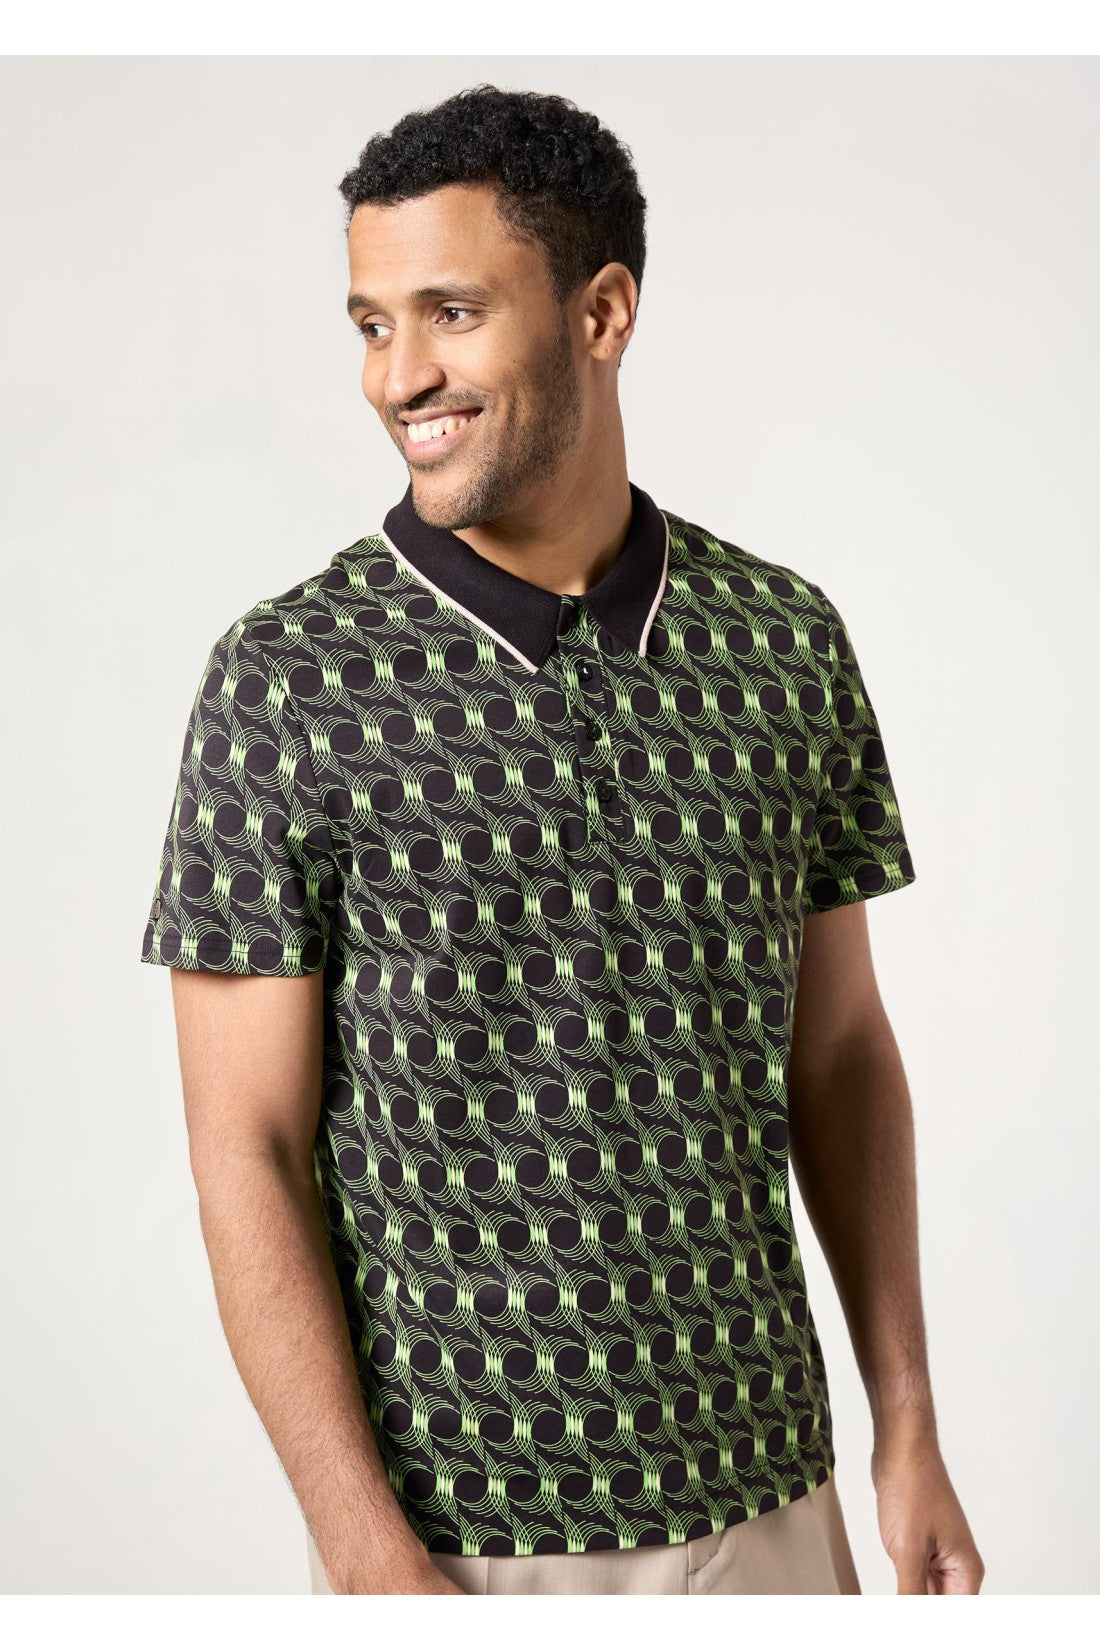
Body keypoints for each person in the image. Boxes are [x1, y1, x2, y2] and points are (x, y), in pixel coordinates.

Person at [140, 84, 984, 1597]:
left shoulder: (783, 641)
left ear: (603, 313)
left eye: (450, 313)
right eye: (371, 324)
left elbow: (844, 1052)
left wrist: (906, 1425)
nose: (399, 375)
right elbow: (244, 1150)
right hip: (460, 1546)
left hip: (771, 1506)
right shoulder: (286, 680)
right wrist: (368, 1557)